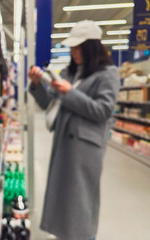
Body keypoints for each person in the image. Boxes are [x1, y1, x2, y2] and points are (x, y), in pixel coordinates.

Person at [28, 20, 120, 240]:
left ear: (92, 47)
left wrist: (70, 93)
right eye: (72, 47)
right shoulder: (70, 72)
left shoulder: (108, 73)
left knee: (81, 201)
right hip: (64, 143)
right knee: (64, 197)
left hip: (85, 149)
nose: (73, 52)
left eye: (78, 47)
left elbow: (103, 110)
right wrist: (36, 85)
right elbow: (48, 104)